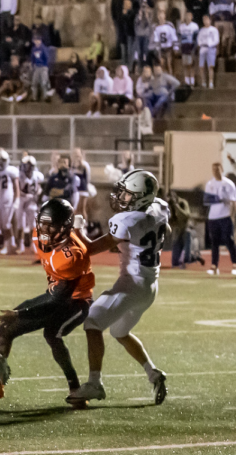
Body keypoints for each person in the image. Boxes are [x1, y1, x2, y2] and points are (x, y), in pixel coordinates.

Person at [0, 200, 94, 400]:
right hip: (55, 293)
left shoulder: (72, 255)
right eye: (42, 223)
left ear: (65, 227)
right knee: (4, 330)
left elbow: (58, 302)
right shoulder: (39, 235)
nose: (44, 229)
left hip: (76, 301)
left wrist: (20, 314)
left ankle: (75, 388)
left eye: (51, 225)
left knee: (52, 334)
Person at [67, 170, 170, 406]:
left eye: (127, 194)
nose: (122, 198)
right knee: (119, 332)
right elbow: (166, 231)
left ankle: (95, 383)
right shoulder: (160, 208)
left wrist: (76, 229)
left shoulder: (126, 220)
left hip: (131, 285)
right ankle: (153, 373)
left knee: (92, 323)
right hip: (150, 286)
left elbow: (90, 249)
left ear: (140, 196)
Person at [202, 162, 236, 275]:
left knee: (228, 240)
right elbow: (206, 200)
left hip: (225, 216)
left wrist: (232, 215)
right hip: (213, 217)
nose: (216, 171)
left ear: (222, 169)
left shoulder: (229, 184)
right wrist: (218, 199)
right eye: (214, 170)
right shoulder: (210, 184)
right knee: (214, 242)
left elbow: (233, 201)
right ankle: (214, 266)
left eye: (218, 169)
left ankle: (235, 264)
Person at [17, 155, 45, 254]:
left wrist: (37, 194)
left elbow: (39, 187)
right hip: (21, 199)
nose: (28, 168)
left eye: (30, 165)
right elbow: (17, 188)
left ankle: (35, 246)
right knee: (21, 224)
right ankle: (21, 246)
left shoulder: (37, 175)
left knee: (33, 225)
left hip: (31, 200)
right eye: (27, 165)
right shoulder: (19, 174)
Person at [198, 14, 220, 88]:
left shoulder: (214, 29)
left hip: (211, 48)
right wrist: (201, 44)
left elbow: (216, 40)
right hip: (203, 48)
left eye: (207, 19)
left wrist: (210, 44)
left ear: (210, 20)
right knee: (201, 66)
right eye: (204, 20)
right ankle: (203, 82)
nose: (206, 21)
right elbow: (199, 39)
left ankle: (211, 82)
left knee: (210, 66)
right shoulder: (201, 30)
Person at [179, 11, 200, 86]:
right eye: (186, 16)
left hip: (191, 46)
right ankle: (186, 80)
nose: (187, 17)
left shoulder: (194, 26)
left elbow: (196, 38)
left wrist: (195, 47)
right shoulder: (181, 26)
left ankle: (192, 80)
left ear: (191, 17)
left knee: (192, 65)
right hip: (184, 47)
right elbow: (180, 38)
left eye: (189, 16)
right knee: (185, 65)